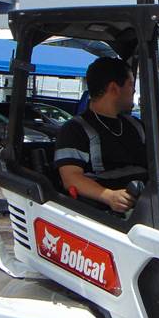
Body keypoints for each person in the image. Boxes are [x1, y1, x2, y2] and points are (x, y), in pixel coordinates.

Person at [54, 56, 146, 213]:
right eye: (131, 84)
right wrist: (110, 197)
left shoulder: (137, 126)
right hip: (105, 215)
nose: (134, 90)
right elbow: (71, 178)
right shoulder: (74, 130)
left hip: (147, 207)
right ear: (114, 88)